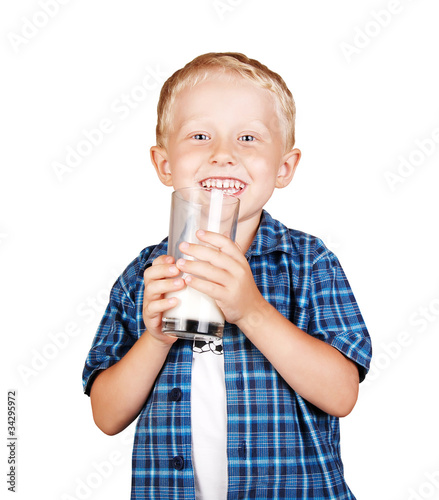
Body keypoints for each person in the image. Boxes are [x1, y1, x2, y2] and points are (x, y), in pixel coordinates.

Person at [82, 52, 372, 499]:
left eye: (248, 138)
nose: (223, 155)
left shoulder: (310, 262)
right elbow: (106, 415)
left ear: (284, 168)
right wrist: (154, 339)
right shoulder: (144, 275)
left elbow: (341, 395)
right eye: (200, 135)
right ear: (164, 164)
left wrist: (252, 311)